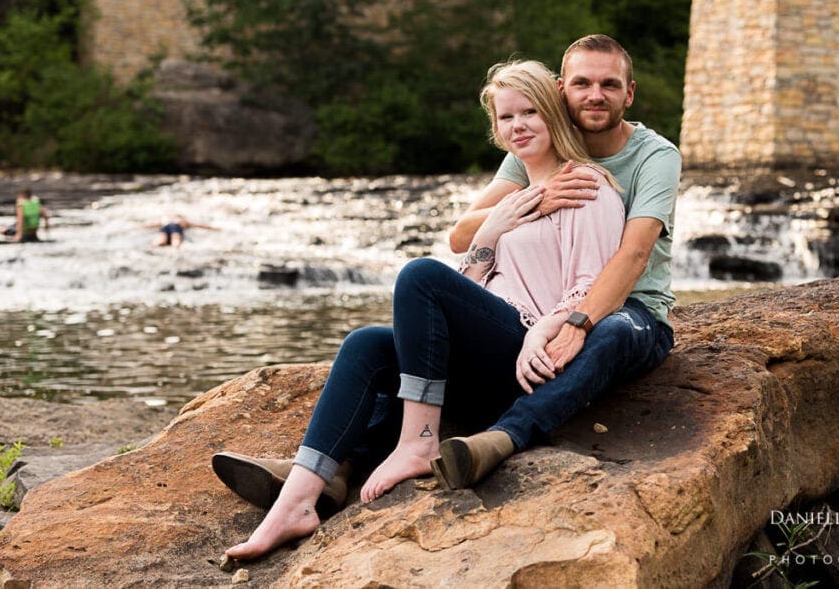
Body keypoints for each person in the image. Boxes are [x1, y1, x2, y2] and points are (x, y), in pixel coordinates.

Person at [212, 59, 626, 560]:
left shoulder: (586, 186)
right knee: (365, 344)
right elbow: (473, 281)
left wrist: (545, 330)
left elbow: (589, 287)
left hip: (528, 355)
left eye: (530, 113)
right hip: (489, 347)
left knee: (420, 275)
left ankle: (419, 441)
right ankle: (297, 500)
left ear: (554, 114)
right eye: (505, 118)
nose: (518, 126)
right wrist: (493, 229)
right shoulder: (516, 198)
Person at [446, 33, 681, 484]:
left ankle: (503, 438)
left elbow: (634, 255)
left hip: (631, 311)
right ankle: (334, 462)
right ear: (560, 89)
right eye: (582, 84)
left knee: (609, 332)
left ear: (629, 93)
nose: (596, 95)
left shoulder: (656, 155)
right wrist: (537, 197)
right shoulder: (538, 144)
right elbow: (460, 236)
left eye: (610, 85)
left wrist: (579, 323)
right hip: (542, 307)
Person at [144, 215, 217, 248]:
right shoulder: (181, 221)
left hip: (164, 228)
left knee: (160, 240)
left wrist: (141, 227)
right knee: (175, 240)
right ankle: (175, 249)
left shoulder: (166, 220)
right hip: (176, 228)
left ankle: (154, 247)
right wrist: (212, 228)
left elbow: (152, 225)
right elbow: (199, 225)